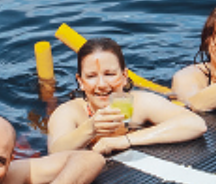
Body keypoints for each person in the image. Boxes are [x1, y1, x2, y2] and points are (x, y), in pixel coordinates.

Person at [46, 38, 205, 156]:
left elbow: (196, 124)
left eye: (109, 74)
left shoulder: (139, 104)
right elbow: (55, 152)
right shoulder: (70, 113)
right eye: (91, 76)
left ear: (124, 76)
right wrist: (90, 129)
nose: (102, 84)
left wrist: (124, 140)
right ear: (80, 82)